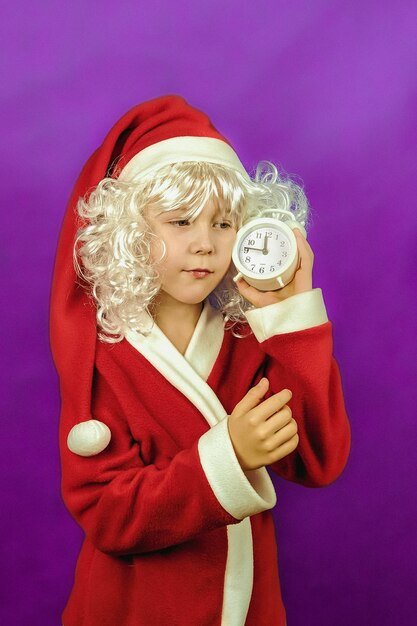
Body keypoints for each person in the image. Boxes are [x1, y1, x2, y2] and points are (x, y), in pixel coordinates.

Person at [50, 95, 350, 626]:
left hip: (247, 605)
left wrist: (293, 317)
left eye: (225, 223)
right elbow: (106, 513)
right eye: (181, 221)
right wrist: (228, 455)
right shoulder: (105, 356)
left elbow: (319, 460)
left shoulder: (247, 336)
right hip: (133, 609)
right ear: (128, 230)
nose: (205, 245)